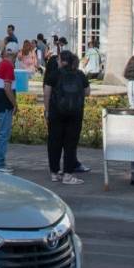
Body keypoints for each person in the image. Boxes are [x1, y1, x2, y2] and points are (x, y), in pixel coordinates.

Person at [42, 48, 89, 183]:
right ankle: (68, 174)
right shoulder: (79, 74)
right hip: (75, 114)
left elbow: (46, 93)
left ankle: (54, 173)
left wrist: (47, 110)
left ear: (61, 61)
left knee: (54, 142)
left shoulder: (54, 74)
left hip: (56, 113)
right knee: (70, 144)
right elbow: (88, 92)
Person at [0, 45, 18, 173]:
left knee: (1, 134)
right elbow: (8, 88)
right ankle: (0, 164)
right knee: (3, 134)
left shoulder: (1, 64)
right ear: (13, 54)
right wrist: (15, 104)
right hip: (4, 105)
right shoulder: (8, 66)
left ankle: (0, 163)